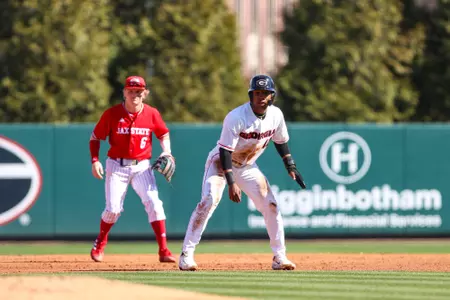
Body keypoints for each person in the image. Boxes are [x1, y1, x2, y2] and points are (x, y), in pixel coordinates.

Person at [178, 74, 306, 271]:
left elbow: (281, 142)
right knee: (209, 200)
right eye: (257, 92)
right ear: (250, 95)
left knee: (271, 205)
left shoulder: (276, 115)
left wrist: (290, 165)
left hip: (247, 166)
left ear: (272, 96)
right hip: (222, 163)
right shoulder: (237, 116)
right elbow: (225, 151)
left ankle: (280, 257)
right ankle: (186, 254)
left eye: (265, 93)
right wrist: (231, 182)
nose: (261, 97)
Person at [89, 75, 176, 263]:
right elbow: (95, 137)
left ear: (144, 94)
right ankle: (100, 242)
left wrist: (167, 151)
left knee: (154, 203)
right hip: (116, 165)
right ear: (124, 92)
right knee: (113, 209)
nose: (134, 94)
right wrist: (95, 160)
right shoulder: (112, 114)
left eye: (138, 91)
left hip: (142, 166)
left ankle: (164, 250)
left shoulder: (152, 113)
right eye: (130, 91)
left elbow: (163, 133)